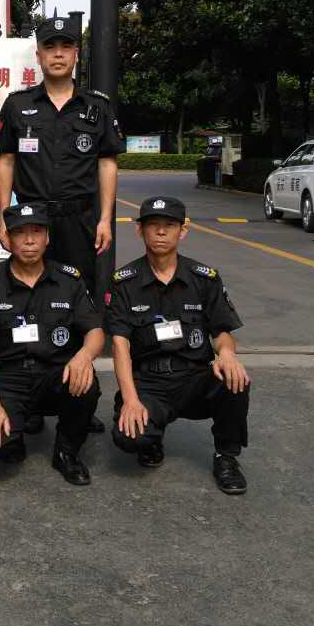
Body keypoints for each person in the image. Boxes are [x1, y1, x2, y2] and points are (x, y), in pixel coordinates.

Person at [0, 15, 124, 433]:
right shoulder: (18, 105)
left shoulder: (96, 107)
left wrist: (105, 219)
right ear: (39, 54)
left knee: (77, 303)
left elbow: (107, 163)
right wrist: (4, 217)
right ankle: (30, 398)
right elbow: (6, 161)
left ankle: (78, 397)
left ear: (76, 54)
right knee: (28, 302)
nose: (58, 54)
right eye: (50, 47)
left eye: (66, 46)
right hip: (31, 220)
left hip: (78, 221)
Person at [106, 195, 251, 494]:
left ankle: (226, 457)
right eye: (153, 225)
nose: (161, 232)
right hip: (149, 382)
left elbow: (222, 332)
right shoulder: (124, 282)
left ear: (182, 231)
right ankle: (151, 439)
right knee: (130, 437)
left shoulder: (204, 279)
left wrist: (226, 354)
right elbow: (120, 346)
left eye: (169, 225)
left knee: (235, 379)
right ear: (140, 230)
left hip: (194, 378)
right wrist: (131, 400)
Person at [0, 201, 105, 485]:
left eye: (36, 232)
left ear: (47, 237)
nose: (29, 240)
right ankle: (14, 436)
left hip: (55, 374)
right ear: (8, 239)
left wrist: (84, 356)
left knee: (86, 382)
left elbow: (95, 331)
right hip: (10, 378)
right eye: (20, 233)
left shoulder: (69, 280)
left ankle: (66, 451)